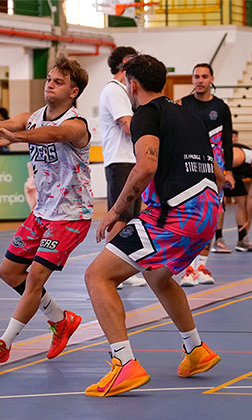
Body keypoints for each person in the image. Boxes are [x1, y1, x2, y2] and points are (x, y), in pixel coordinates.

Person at [83, 54, 224, 397]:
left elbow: (146, 166)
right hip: (208, 212)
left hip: (178, 214)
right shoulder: (189, 115)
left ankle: (123, 364)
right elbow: (218, 173)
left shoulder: (146, 114)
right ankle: (196, 350)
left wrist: (115, 211)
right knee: (156, 274)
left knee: (97, 276)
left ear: (132, 85)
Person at [0, 56, 92, 373]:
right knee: (9, 273)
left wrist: (16, 137)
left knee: (36, 276)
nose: (49, 84)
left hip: (71, 215)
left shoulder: (76, 125)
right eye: (49, 79)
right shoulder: (31, 118)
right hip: (42, 212)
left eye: (58, 82)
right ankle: (60, 320)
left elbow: (53, 135)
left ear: (73, 92)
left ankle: (2, 346)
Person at [177, 63, 232, 284]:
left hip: (215, 169)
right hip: (189, 167)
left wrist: (228, 171)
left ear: (212, 79)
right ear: (192, 79)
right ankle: (188, 268)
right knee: (189, 216)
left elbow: (227, 141)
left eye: (204, 76)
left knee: (210, 216)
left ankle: (201, 266)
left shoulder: (221, 107)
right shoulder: (182, 104)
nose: (200, 80)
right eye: (196, 76)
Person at [99, 45, 146, 289]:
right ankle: (108, 270)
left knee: (130, 218)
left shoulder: (125, 91)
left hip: (129, 159)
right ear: (125, 62)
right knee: (120, 215)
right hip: (120, 160)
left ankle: (120, 269)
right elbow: (127, 125)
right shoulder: (114, 89)